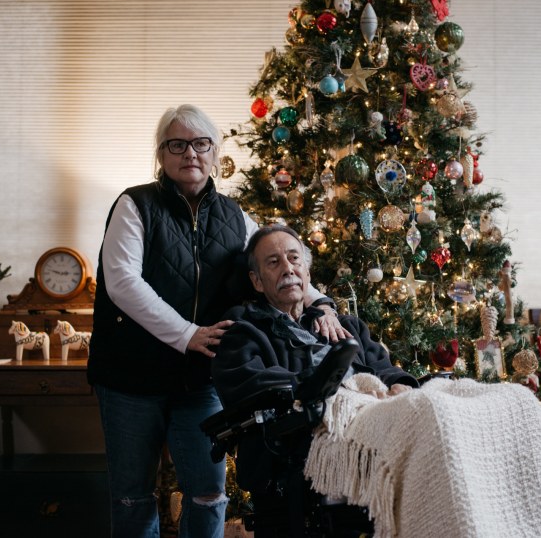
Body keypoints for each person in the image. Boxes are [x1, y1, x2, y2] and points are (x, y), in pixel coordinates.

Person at [87, 104, 347, 538]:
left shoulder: (235, 216)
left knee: (209, 496)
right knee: (132, 498)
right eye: (177, 144)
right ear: (162, 156)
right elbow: (122, 283)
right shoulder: (135, 204)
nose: (190, 153)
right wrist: (186, 334)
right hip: (130, 378)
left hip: (200, 381)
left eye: (200, 144)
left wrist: (323, 303)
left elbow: (276, 262)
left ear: (214, 153)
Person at [212, 225, 418, 535]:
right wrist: (336, 394)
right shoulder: (242, 329)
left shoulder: (344, 324)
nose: (288, 268)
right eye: (273, 262)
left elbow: (381, 367)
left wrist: (400, 383)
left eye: (294, 258)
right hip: (306, 442)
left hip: (373, 423)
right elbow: (252, 384)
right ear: (256, 280)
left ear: (307, 271)